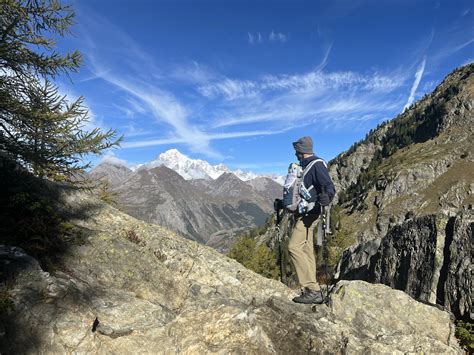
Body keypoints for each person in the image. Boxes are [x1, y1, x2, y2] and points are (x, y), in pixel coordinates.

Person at [289, 136, 335, 304]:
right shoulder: (304, 166)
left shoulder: (316, 165)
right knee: (306, 249)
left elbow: (329, 186)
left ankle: (312, 289)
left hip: (310, 214)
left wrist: (328, 196)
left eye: (296, 151)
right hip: (305, 213)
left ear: (301, 151)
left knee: (293, 247)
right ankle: (313, 287)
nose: (295, 154)